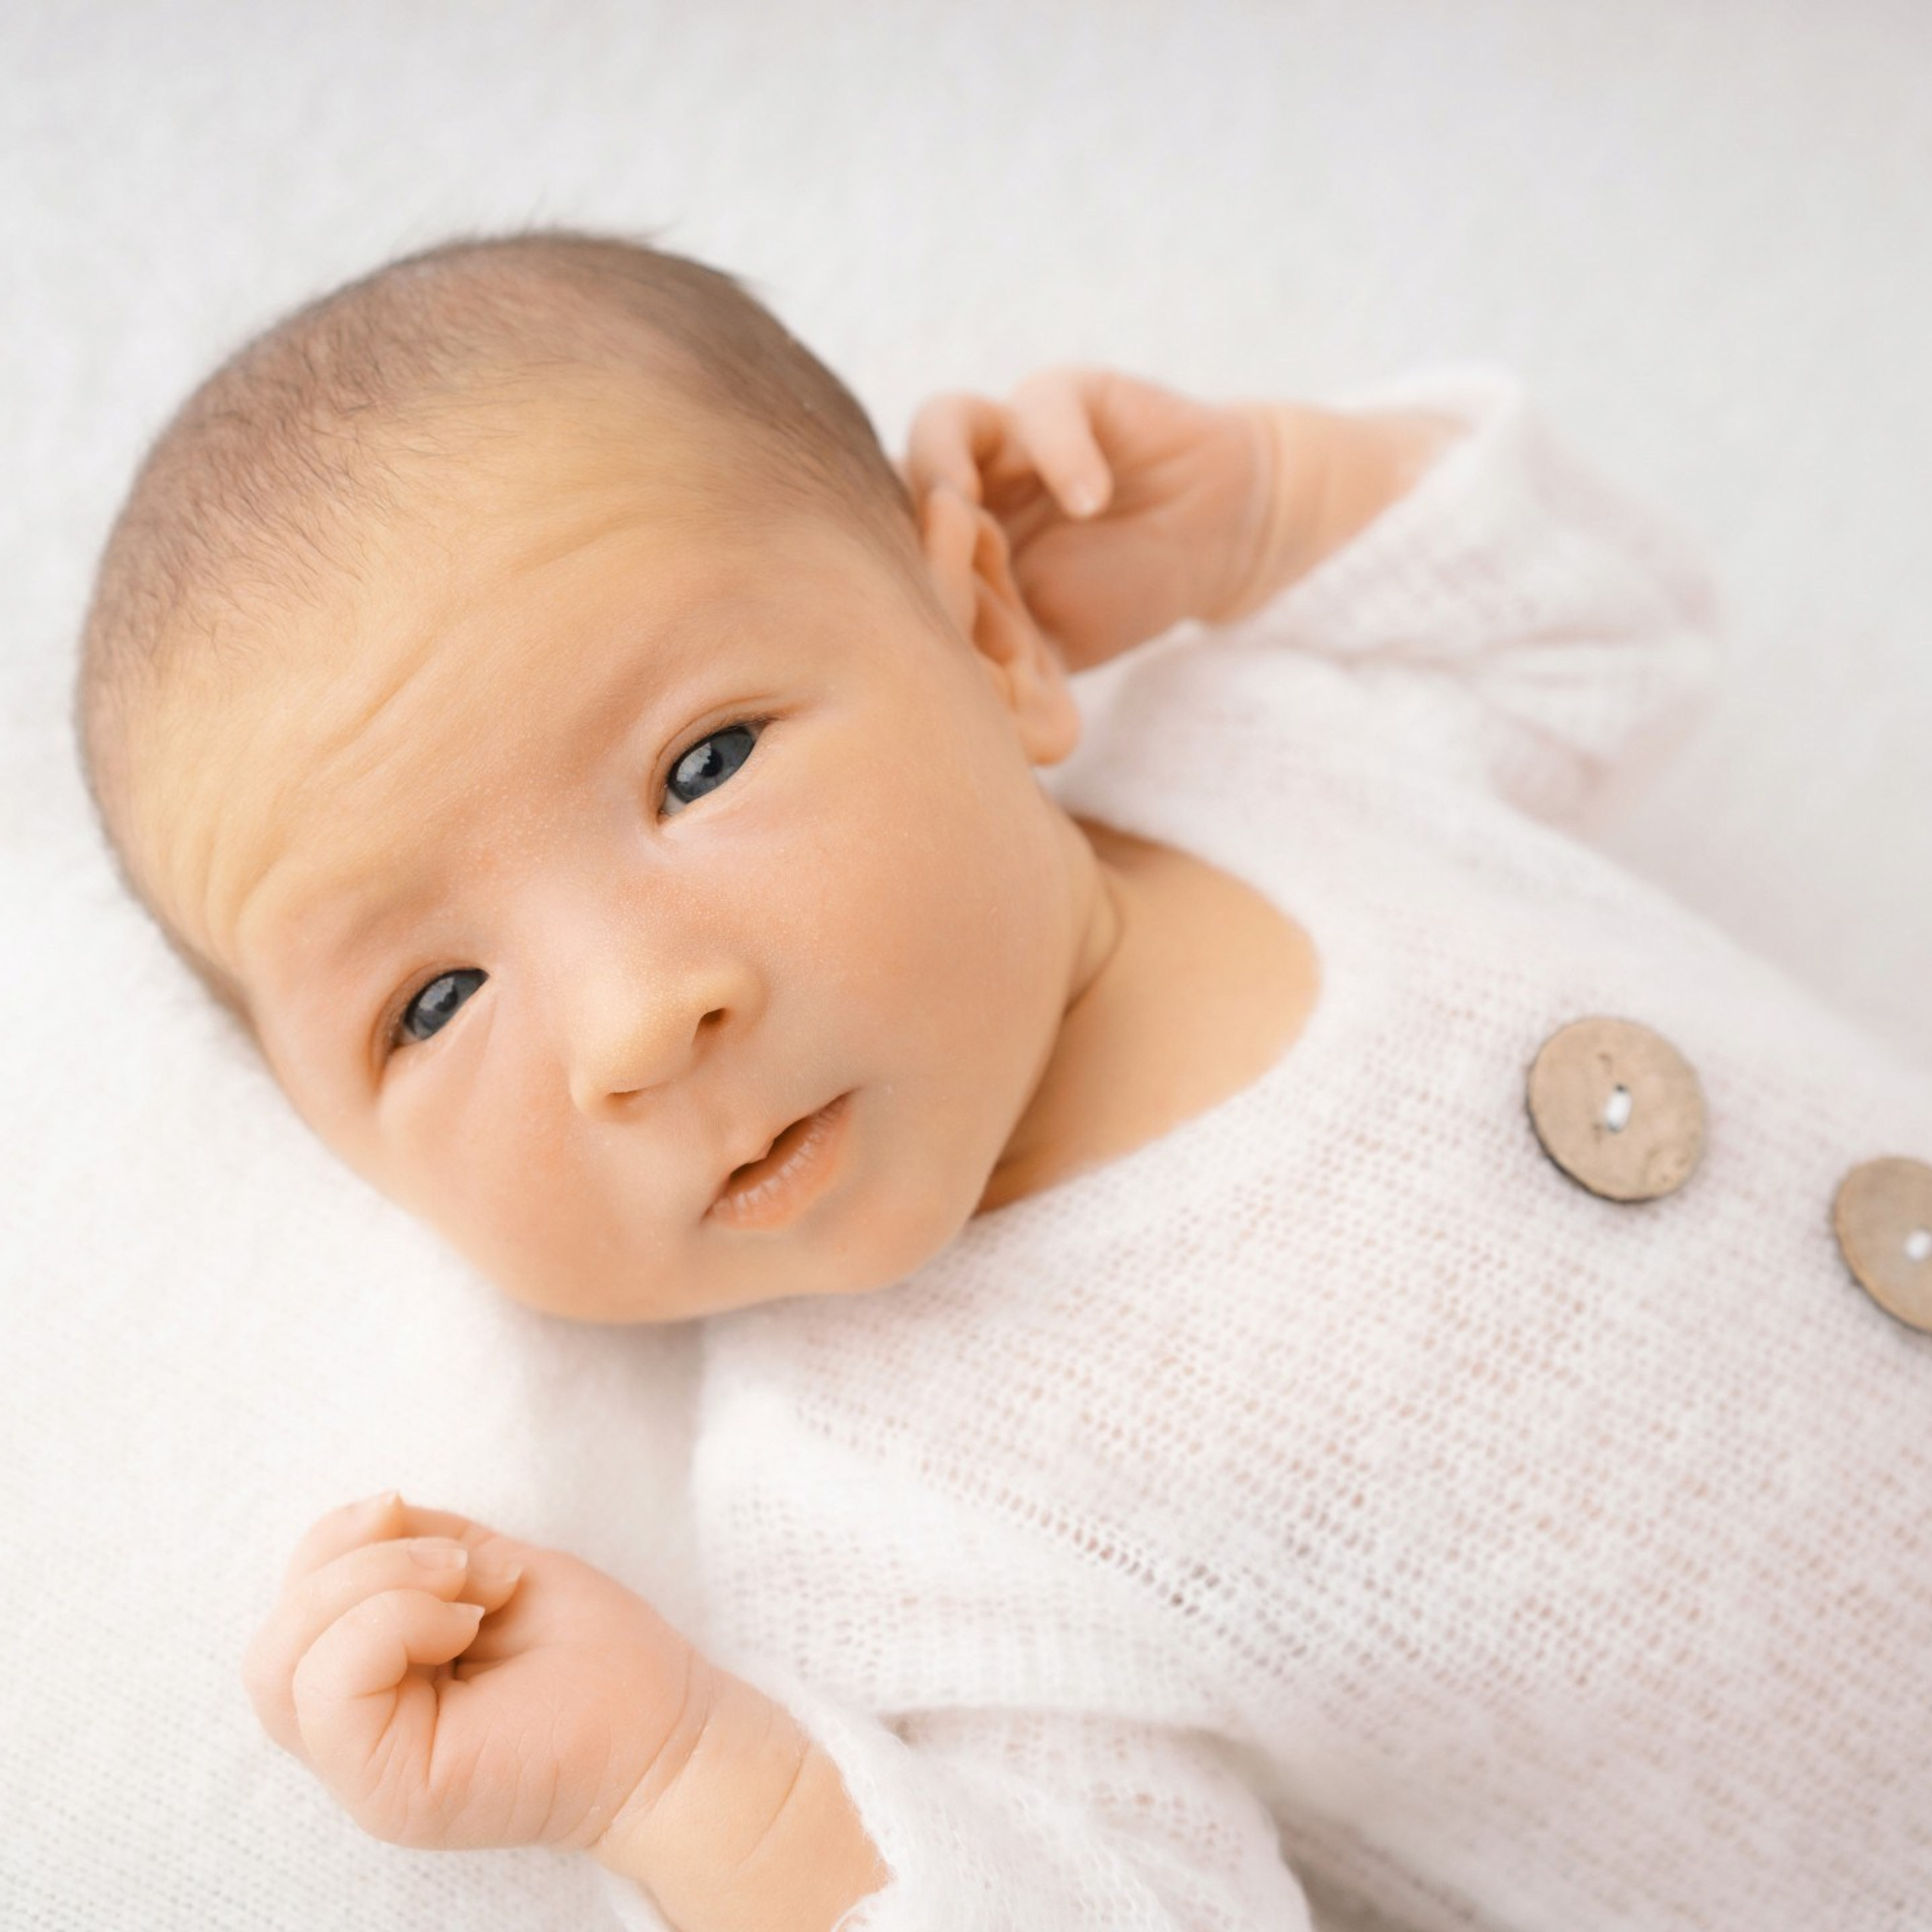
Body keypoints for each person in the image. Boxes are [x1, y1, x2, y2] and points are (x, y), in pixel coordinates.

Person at [74, 229, 1932, 1932]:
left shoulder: (1265, 748)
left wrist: (1268, 506)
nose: (634, 1020)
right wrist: (681, 1777)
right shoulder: (897, 1516)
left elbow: (1612, 627)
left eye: (702, 762)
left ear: (984, 635)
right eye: (433, 1000)